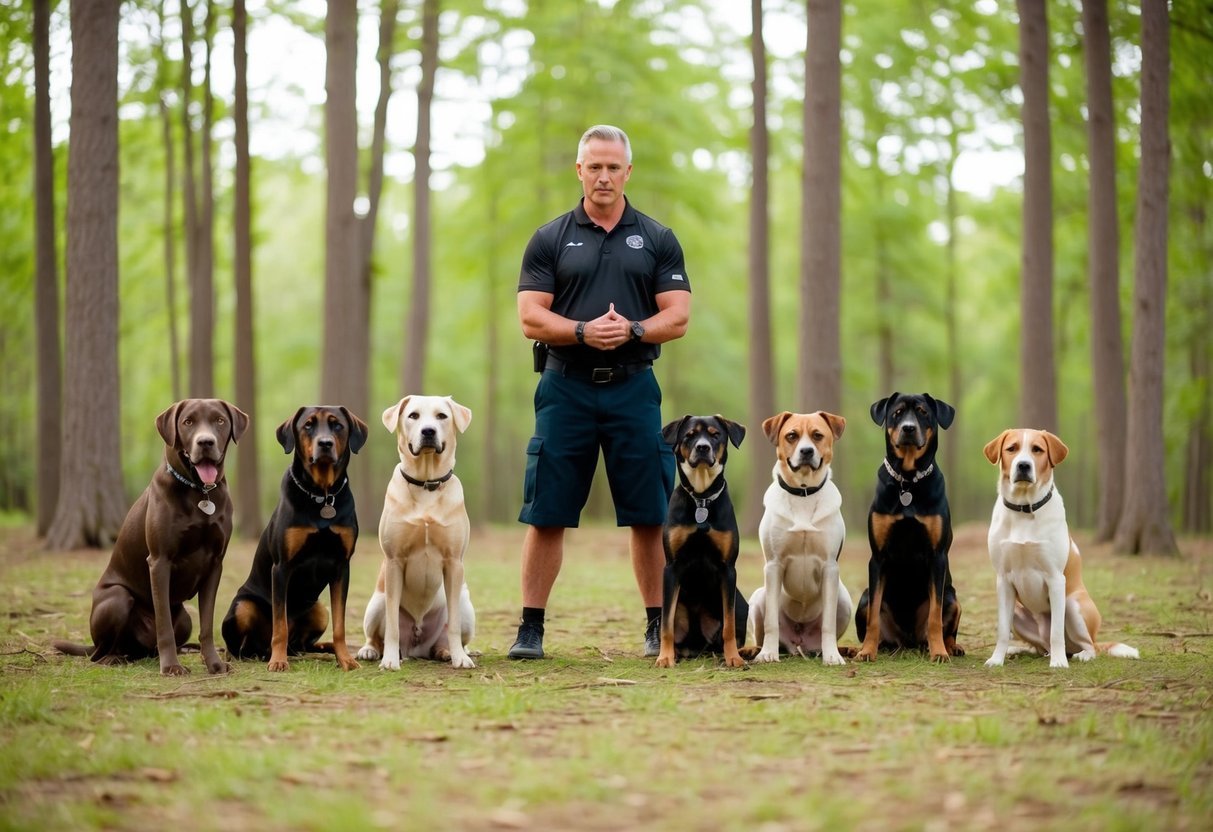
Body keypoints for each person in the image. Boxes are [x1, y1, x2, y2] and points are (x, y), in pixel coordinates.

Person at [509, 124, 692, 659]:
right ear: (580, 170)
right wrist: (585, 331)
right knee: (546, 512)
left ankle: (659, 626)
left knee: (649, 511)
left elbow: (677, 317)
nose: (605, 176)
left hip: (635, 389)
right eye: (595, 166)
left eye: (614, 166)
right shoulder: (550, 237)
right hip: (564, 388)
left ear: (628, 171)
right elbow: (529, 316)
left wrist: (633, 330)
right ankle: (530, 629)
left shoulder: (657, 238)